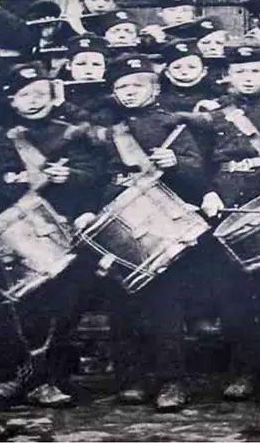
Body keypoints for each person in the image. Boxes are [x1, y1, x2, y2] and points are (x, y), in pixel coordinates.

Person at [0, 62, 104, 407]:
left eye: (40, 94)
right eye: (24, 95)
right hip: (11, 234)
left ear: (54, 98)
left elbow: (95, 174)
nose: (33, 101)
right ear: (11, 100)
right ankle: (19, 378)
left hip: (60, 233)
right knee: (15, 307)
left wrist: (70, 175)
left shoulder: (71, 133)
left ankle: (48, 381)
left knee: (60, 308)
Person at [180, 38, 260, 404]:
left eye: (254, 70)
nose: (247, 78)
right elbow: (196, 162)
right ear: (227, 75)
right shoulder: (212, 115)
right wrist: (207, 192)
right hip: (225, 208)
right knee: (232, 295)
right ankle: (242, 371)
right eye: (240, 71)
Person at [91, 54, 216, 411]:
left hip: (162, 226)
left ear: (155, 88)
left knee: (166, 307)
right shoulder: (108, 130)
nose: (128, 93)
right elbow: (99, 176)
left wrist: (176, 165)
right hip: (120, 225)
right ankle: (131, 379)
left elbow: (198, 173)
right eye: (121, 88)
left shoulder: (170, 125)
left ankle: (171, 381)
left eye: (136, 86)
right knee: (123, 305)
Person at [52, 34, 114, 121]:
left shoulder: (112, 93)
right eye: (81, 64)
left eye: (96, 64)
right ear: (69, 65)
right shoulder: (58, 90)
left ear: (105, 67)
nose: (89, 70)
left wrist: (63, 104)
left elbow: (96, 121)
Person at [156, 38, 218, 113]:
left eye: (192, 67)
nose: (184, 72)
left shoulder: (215, 95)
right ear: (167, 72)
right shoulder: (158, 99)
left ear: (203, 71)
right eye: (177, 67)